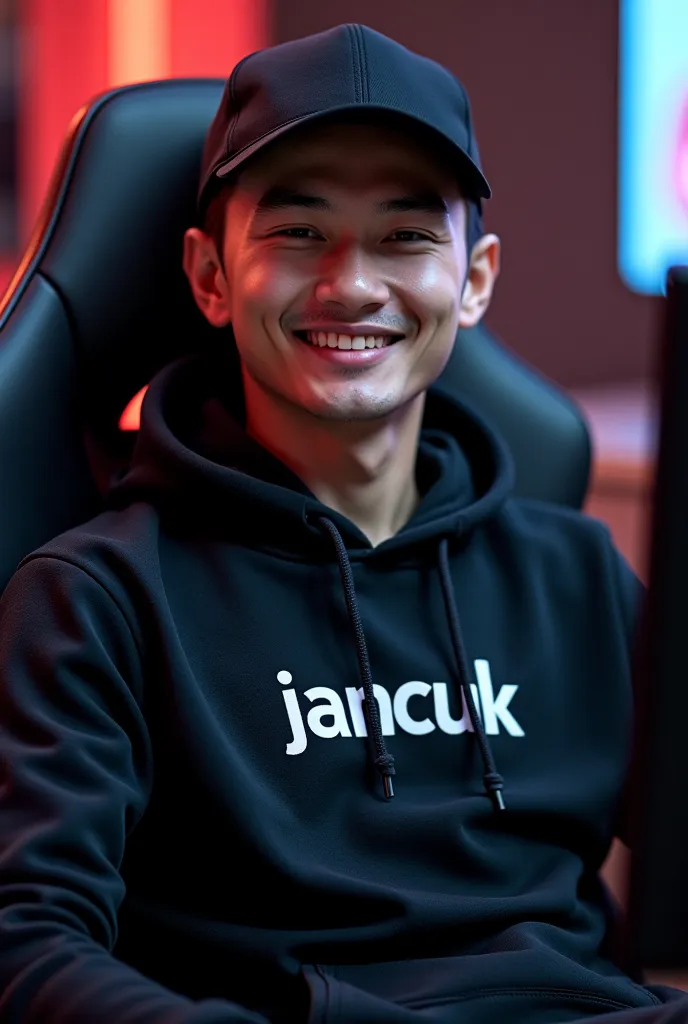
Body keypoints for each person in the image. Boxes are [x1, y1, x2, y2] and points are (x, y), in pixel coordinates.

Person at [0, 23, 685, 1024]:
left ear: (475, 278)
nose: (352, 282)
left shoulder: (574, 575)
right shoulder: (95, 597)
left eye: (405, 234)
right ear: (210, 276)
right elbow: (26, 947)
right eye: (298, 230)